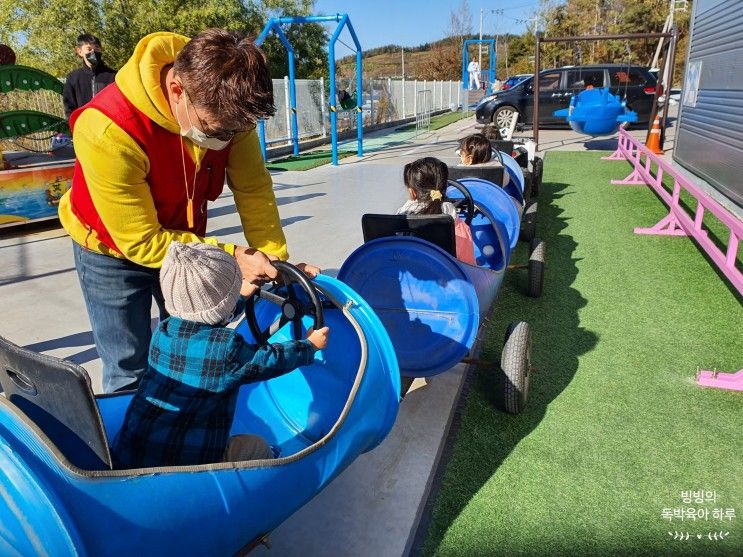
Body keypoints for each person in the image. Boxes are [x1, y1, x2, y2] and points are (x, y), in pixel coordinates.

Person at [58, 29, 318, 393]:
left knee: (194, 347)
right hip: (112, 251)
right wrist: (232, 257)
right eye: (216, 130)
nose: (224, 139)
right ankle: (131, 440)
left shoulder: (227, 107)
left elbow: (253, 187)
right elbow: (142, 242)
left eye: (233, 132)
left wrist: (272, 258)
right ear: (177, 90)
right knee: (129, 364)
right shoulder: (108, 128)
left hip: (186, 240)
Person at [112, 241, 330, 467]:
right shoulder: (225, 349)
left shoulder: (163, 332)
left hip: (134, 450)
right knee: (256, 446)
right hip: (187, 462)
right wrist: (309, 345)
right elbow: (270, 359)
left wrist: (242, 296)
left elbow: (206, 313)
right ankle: (267, 473)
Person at [396, 157, 475, 265]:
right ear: (445, 187)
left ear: (412, 192)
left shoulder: (398, 222)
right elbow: (469, 267)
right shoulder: (457, 226)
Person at [62, 34, 117, 119]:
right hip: (85, 128)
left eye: (96, 48)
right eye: (89, 49)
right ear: (80, 51)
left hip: (109, 126)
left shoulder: (113, 76)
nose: (93, 52)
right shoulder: (73, 78)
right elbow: (70, 109)